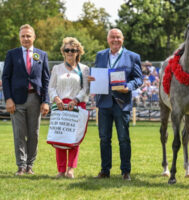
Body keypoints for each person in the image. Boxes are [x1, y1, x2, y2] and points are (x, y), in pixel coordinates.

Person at [88, 28, 143, 181]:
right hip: (104, 103)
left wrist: (129, 87)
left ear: (122, 39)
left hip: (121, 103)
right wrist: (92, 79)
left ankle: (126, 171)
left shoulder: (133, 57)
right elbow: (97, 75)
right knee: (104, 138)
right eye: (112, 37)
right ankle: (105, 170)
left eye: (118, 37)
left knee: (124, 138)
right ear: (108, 39)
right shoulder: (100, 55)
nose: (115, 40)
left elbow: (139, 79)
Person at [2, 24, 50, 175]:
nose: (26, 38)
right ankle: (21, 166)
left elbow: (46, 79)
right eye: (23, 36)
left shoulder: (41, 55)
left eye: (28, 36)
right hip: (16, 101)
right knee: (19, 133)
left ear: (34, 37)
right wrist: (8, 99)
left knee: (34, 133)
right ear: (19, 37)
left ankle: (30, 165)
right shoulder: (12, 54)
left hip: (35, 99)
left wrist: (46, 101)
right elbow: (6, 77)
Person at [48, 37, 89, 178]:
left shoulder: (84, 69)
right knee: (60, 137)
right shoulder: (56, 68)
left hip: (76, 106)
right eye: (67, 50)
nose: (70, 52)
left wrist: (76, 100)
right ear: (63, 52)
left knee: (73, 139)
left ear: (78, 51)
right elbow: (51, 87)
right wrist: (56, 98)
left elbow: (86, 89)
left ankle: (70, 169)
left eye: (73, 50)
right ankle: (60, 169)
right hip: (60, 106)